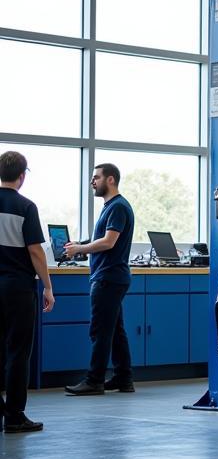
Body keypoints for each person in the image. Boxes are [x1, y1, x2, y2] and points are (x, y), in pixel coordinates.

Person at [64, 163, 136, 396]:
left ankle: (94, 380)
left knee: (100, 330)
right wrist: (80, 246)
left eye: (96, 177)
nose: (93, 182)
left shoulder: (117, 207)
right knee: (115, 330)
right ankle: (123, 379)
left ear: (111, 180)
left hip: (108, 277)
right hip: (112, 276)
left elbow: (108, 242)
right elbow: (102, 239)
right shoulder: (112, 207)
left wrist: (80, 249)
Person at [0, 151, 54, 433]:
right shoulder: (25, 207)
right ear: (22, 176)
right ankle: (15, 415)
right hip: (17, 288)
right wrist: (47, 286)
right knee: (17, 351)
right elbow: (35, 250)